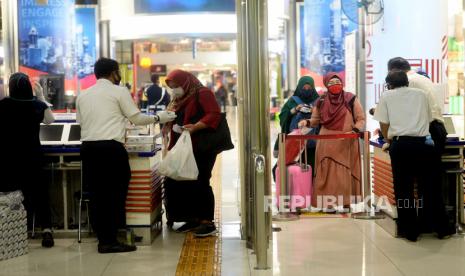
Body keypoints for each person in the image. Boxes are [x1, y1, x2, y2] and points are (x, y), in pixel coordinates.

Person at [77, 58, 176, 253]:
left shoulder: (84, 95)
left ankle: (103, 239)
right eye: (117, 72)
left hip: (88, 149)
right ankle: (110, 241)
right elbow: (136, 118)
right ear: (114, 72)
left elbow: (81, 121)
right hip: (110, 149)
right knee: (115, 194)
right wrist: (159, 117)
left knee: (97, 195)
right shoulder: (119, 91)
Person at [373, 70, 451, 241]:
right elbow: (429, 118)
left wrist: (388, 139)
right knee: (431, 188)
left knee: (404, 190)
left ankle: (410, 231)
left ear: (389, 84)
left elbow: (384, 124)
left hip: (402, 147)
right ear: (406, 82)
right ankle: (441, 228)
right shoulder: (422, 95)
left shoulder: (387, 96)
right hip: (424, 145)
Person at [163, 69, 221, 237]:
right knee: (187, 182)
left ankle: (207, 222)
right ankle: (193, 218)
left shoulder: (203, 93)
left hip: (202, 146)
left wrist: (195, 127)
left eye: (177, 85)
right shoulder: (179, 98)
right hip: (184, 146)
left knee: (201, 180)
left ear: (186, 82)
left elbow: (214, 114)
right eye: (172, 86)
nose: (174, 89)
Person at [0, 72, 55, 248]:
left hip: (9, 159)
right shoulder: (37, 105)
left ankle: (13, 233)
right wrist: (41, 97)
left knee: (11, 195)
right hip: (33, 156)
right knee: (40, 194)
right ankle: (46, 230)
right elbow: (50, 121)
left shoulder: (3, 105)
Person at [299, 72, 365, 211]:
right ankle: (327, 203)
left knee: (344, 171)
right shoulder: (321, 101)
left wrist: (355, 131)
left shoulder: (350, 98)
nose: (335, 86)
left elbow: (360, 118)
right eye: (331, 83)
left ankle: (345, 202)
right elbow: (316, 120)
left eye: (337, 82)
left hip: (345, 141)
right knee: (326, 172)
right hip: (326, 142)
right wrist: (307, 122)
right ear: (326, 85)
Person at [388, 57, 447, 153]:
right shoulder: (423, 78)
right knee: (431, 167)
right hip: (438, 129)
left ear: (394, 70)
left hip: (424, 133)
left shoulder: (406, 81)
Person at [273, 76, 320, 175]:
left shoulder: (318, 101)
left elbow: (325, 118)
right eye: (304, 88)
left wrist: (314, 112)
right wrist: (295, 109)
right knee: (294, 172)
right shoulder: (293, 101)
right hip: (295, 145)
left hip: (314, 145)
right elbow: (283, 117)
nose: (306, 90)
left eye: (309, 88)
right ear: (299, 87)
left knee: (313, 171)